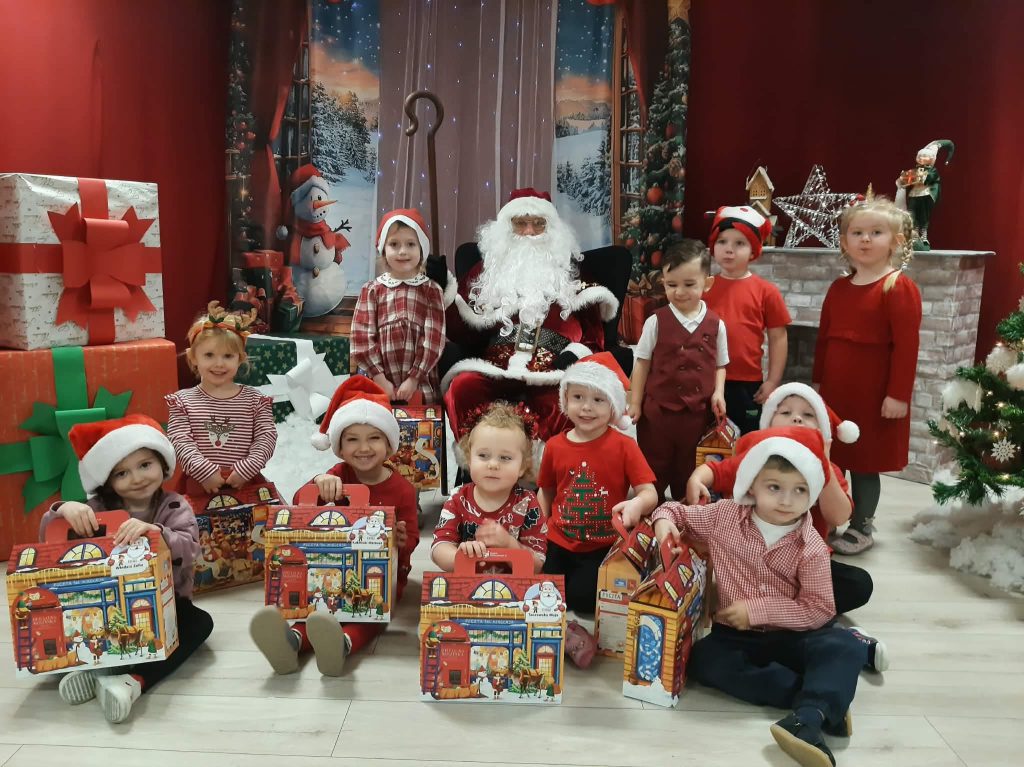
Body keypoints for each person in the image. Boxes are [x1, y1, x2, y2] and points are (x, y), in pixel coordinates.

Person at [652, 427, 886, 767]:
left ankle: (808, 718)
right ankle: (819, 702)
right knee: (703, 660)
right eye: (774, 487)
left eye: (799, 490)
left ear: (812, 494)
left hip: (794, 636)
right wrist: (664, 524)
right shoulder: (724, 516)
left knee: (841, 645)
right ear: (752, 486)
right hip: (735, 636)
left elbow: (818, 609)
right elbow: (673, 511)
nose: (786, 500)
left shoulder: (812, 547)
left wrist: (757, 610)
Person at [41, 416, 211, 724]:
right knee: (69, 627)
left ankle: (130, 681)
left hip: (167, 605)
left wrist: (157, 533)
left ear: (162, 463)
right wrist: (63, 510)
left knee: (200, 623)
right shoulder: (97, 508)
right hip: (107, 607)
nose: (137, 478)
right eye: (122, 473)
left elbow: (190, 550)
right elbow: (49, 541)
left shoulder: (174, 505)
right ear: (108, 481)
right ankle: (95, 668)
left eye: (145, 465)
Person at [249, 377, 419, 676]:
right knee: (317, 607)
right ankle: (291, 641)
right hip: (331, 568)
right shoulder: (338, 474)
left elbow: (413, 539)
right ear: (339, 446)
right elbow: (301, 504)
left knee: (368, 611)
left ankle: (342, 644)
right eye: (352, 439)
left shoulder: (402, 489)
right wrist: (319, 481)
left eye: (374, 438)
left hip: (382, 576)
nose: (363, 448)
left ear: (389, 444)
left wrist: (401, 541)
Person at [428, 188, 619, 444]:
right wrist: (445, 290)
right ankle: (482, 458)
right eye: (520, 223)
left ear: (552, 229)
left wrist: (573, 356)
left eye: (538, 224)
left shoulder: (573, 274)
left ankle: (548, 465)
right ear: (507, 228)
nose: (529, 231)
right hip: (495, 368)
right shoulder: (485, 273)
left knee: (567, 401)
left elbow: (594, 334)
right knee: (463, 388)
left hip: (553, 370)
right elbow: (463, 332)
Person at [686, 383, 873, 615]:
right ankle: (778, 605)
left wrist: (823, 464)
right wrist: (697, 479)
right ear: (768, 424)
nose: (797, 419)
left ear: (823, 429)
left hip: (803, 566)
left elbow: (838, 516)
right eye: (785, 412)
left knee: (858, 583)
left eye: (808, 415)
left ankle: (787, 605)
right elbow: (716, 470)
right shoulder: (757, 460)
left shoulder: (829, 469)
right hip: (750, 562)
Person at [814, 197, 922, 554]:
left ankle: (862, 524)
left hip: (873, 395)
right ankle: (827, 518)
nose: (865, 239)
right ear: (844, 241)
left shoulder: (897, 287)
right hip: (836, 392)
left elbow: (906, 347)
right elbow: (824, 340)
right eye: (857, 232)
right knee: (832, 459)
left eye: (876, 232)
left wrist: (898, 395)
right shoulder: (838, 288)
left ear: (896, 241)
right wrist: (817, 384)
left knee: (864, 462)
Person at [537, 353, 658, 616]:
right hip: (558, 539)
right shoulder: (555, 446)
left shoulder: (625, 446)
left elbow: (649, 493)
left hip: (603, 545)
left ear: (613, 405)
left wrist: (637, 503)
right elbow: (546, 491)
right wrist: (538, 530)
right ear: (565, 399)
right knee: (545, 595)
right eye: (578, 397)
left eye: (598, 399)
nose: (586, 408)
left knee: (583, 601)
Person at [628, 238, 728, 502]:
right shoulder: (655, 321)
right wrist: (635, 402)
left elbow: (720, 364)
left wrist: (719, 392)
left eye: (689, 284)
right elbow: (642, 362)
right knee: (653, 465)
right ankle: (651, 511)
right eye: (672, 285)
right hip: (657, 414)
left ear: (707, 283)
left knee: (689, 468)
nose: (680, 292)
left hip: (697, 415)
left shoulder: (716, 324)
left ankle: (685, 514)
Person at [165, 301, 277, 496]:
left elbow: (266, 437)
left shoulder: (255, 400)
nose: (219, 364)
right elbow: (180, 440)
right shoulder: (182, 402)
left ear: (240, 358)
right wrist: (204, 472)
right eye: (209, 355)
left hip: (245, 482)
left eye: (228, 356)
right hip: (199, 485)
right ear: (193, 357)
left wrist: (246, 469)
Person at [704, 205, 791, 435]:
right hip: (707, 378)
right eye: (722, 241)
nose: (729, 249)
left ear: (753, 250)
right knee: (707, 439)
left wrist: (773, 381)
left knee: (746, 438)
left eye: (739, 243)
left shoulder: (766, 291)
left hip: (747, 383)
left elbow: (778, 337)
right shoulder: (703, 288)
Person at [431, 402, 547, 572]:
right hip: (468, 586)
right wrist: (460, 556)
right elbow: (438, 548)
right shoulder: (458, 498)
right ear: (469, 459)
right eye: (483, 455)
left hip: (515, 587)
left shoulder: (528, 502)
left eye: (505, 458)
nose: (493, 464)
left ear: (523, 466)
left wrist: (509, 544)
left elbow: (537, 564)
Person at [351, 209, 446, 402]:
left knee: (420, 419)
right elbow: (361, 337)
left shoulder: (431, 291)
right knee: (376, 419)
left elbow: (433, 340)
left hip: (419, 384)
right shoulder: (372, 290)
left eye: (411, 244)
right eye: (394, 244)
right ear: (383, 250)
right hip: (378, 382)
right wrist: (379, 379)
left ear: (421, 249)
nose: (402, 251)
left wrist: (414, 379)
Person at [894, 139, 955, 250]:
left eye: (925, 156)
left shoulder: (933, 171)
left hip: (926, 195)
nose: (922, 158)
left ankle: (923, 235)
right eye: (920, 156)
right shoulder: (915, 170)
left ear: (931, 159)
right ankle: (914, 233)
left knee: (923, 214)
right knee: (911, 213)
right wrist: (904, 179)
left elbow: (927, 178)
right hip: (914, 194)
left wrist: (915, 177)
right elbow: (908, 180)